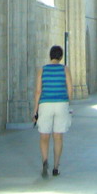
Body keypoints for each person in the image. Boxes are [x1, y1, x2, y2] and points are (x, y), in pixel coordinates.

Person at [33, 45, 73, 177]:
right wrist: (68, 103)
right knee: (58, 136)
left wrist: (35, 111)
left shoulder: (42, 70)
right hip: (61, 103)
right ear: (61, 57)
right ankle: (56, 167)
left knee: (44, 135)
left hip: (45, 104)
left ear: (50, 56)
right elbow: (70, 89)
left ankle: (45, 161)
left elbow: (38, 91)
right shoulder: (65, 69)